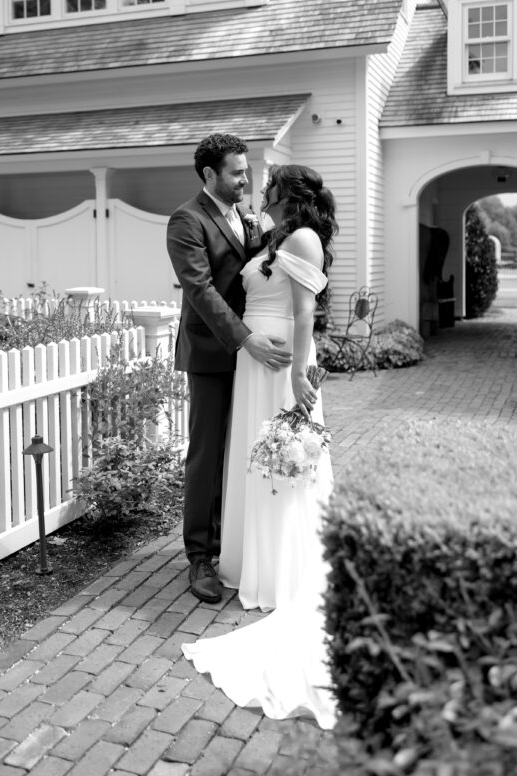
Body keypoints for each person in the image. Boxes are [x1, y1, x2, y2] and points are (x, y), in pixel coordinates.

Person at [182, 164, 339, 729]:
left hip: (280, 366)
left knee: (284, 464)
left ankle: (282, 571)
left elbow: (304, 310)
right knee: (252, 464)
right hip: (253, 362)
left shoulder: (301, 238)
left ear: (285, 195)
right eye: (246, 176)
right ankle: (249, 561)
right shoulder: (270, 236)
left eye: (264, 182)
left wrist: (300, 372)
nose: (257, 187)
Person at [167, 134, 292, 605]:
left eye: (247, 171)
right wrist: (245, 338)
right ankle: (200, 555)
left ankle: (233, 543)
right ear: (209, 175)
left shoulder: (246, 217)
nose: (246, 179)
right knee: (207, 454)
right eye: (237, 172)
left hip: (253, 351)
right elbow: (200, 290)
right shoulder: (186, 220)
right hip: (214, 352)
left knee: (242, 449)